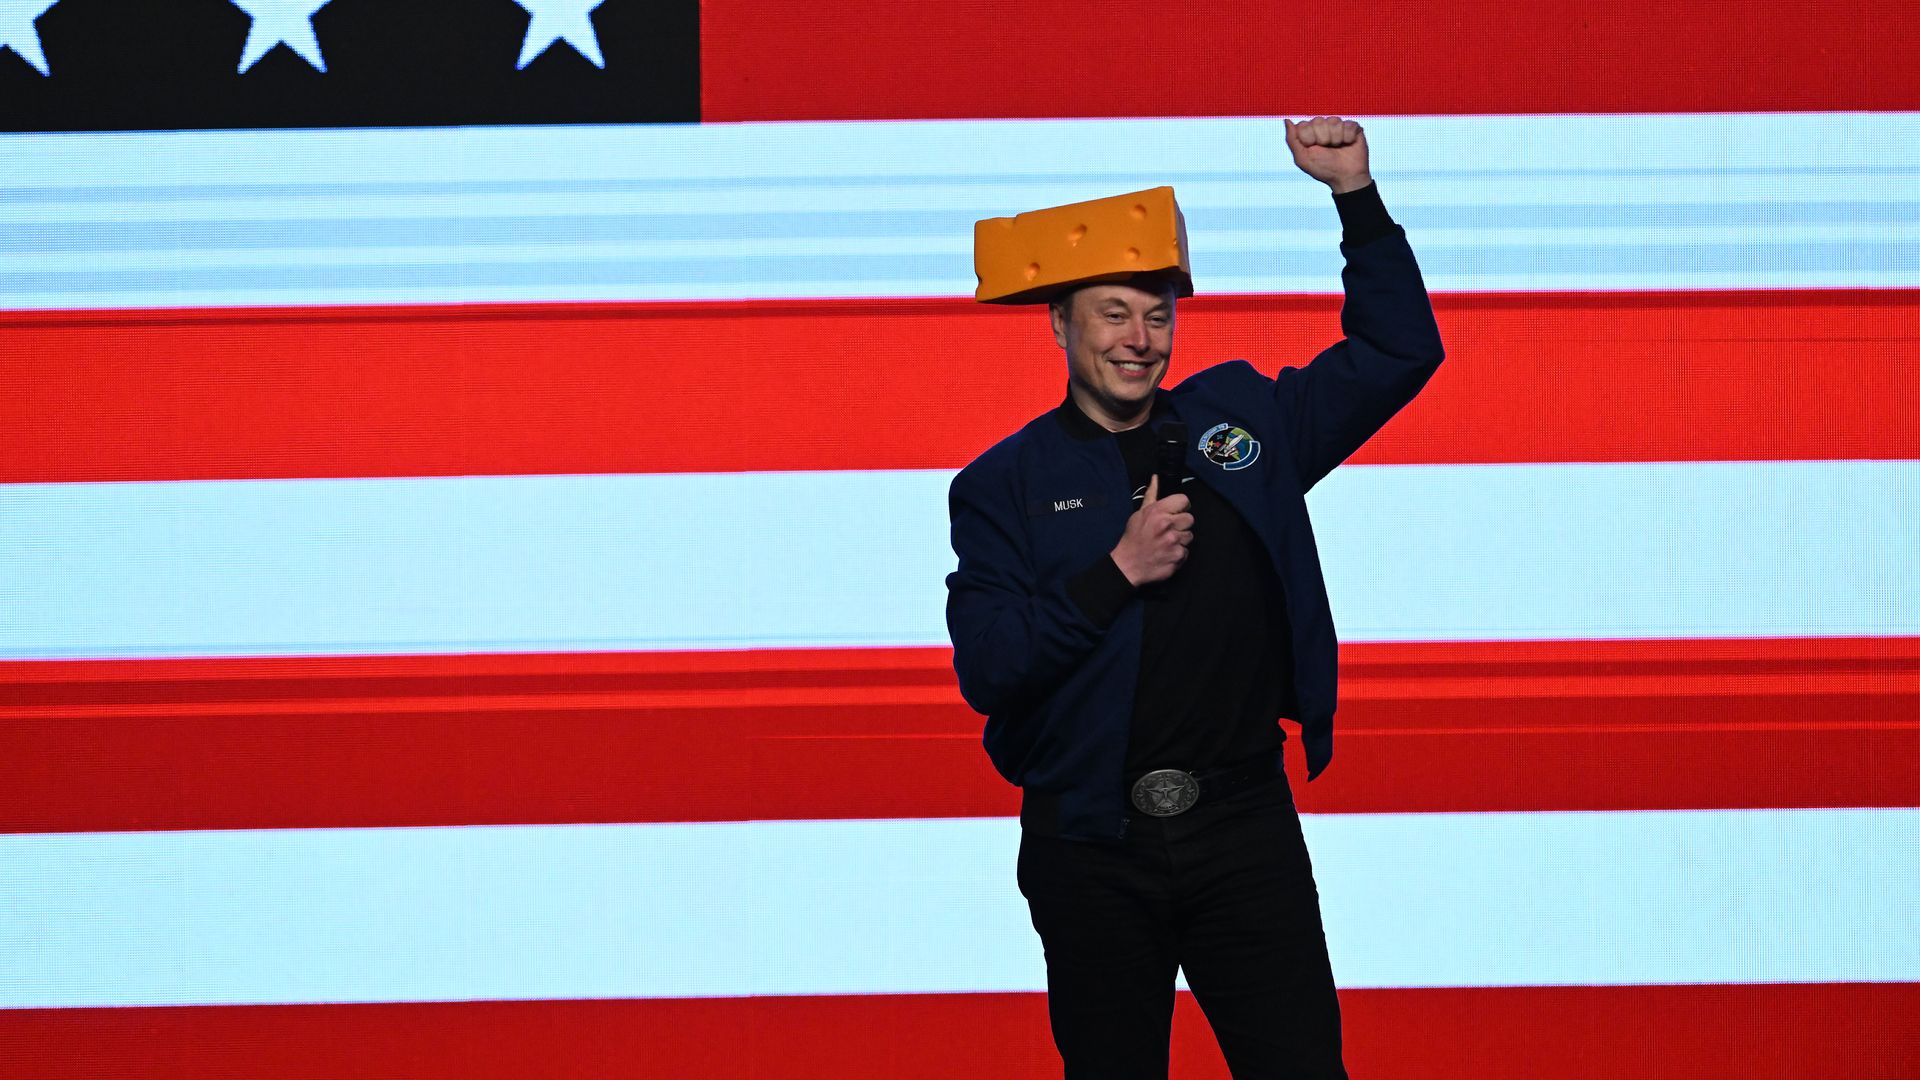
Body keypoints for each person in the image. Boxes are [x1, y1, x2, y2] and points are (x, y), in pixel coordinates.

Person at [944, 116, 1445, 1078]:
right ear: (1060, 323)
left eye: (1158, 315)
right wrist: (1114, 573)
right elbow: (992, 667)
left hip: (1242, 831)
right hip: (1092, 844)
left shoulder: (1243, 421)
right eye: (1114, 313)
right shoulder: (1001, 483)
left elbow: (1397, 355)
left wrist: (1355, 197)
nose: (1141, 340)